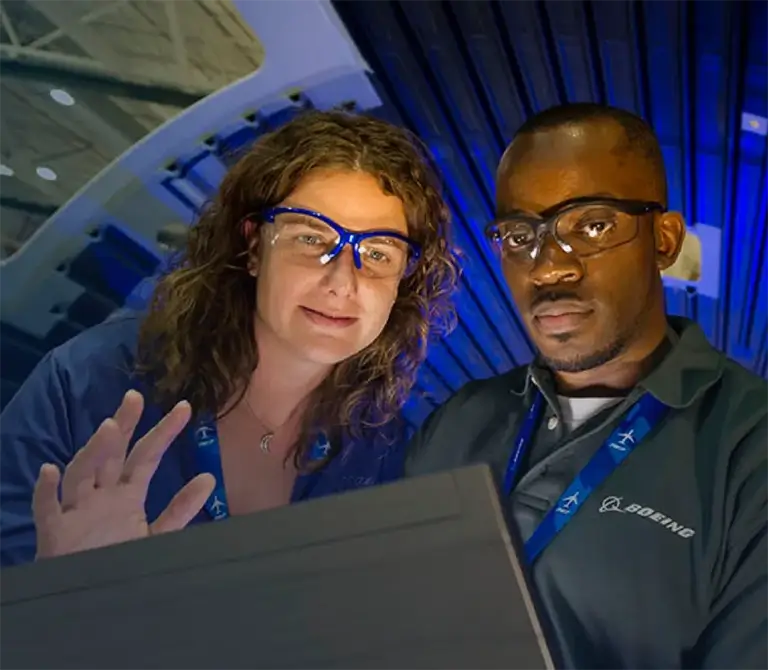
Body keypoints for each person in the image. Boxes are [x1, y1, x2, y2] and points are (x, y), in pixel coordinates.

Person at [0, 109, 459, 566]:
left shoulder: (385, 452)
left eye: (377, 253)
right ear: (254, 245)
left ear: (403, 280)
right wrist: (60, 588)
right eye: (311, 239)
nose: (343, 281)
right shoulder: (89, 384)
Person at [405, 103, 768, 670]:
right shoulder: (455, 423)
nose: (548, 267)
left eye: (592, 225)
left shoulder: (750, 449)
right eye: (519, 235)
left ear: (665, 239)